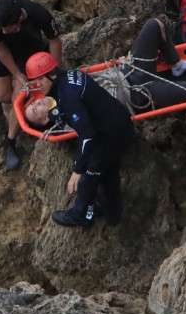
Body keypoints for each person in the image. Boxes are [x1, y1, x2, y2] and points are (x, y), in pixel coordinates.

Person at [24, 52, 133, 227]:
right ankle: (112, 214)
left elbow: (87, 135)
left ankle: (82, 215)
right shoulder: (72, 75)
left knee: (87, 178)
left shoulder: (68, 96)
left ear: (51, 75)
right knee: (108, 174)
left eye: (39, 80)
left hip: (110, 135)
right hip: (118, 123)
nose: (37, 86)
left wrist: (78, 170)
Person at [0, 0, 63, 170]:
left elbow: (55, 41)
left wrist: (54, 74)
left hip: (30, 50)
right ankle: (23, 104)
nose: (3, 31)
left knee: (17, 98)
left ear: (19, 18)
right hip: (5, 52)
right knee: (3, 96)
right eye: (0, 28)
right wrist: (16, 74)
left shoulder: (37, 13)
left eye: (6, 27)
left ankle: (10, 141)